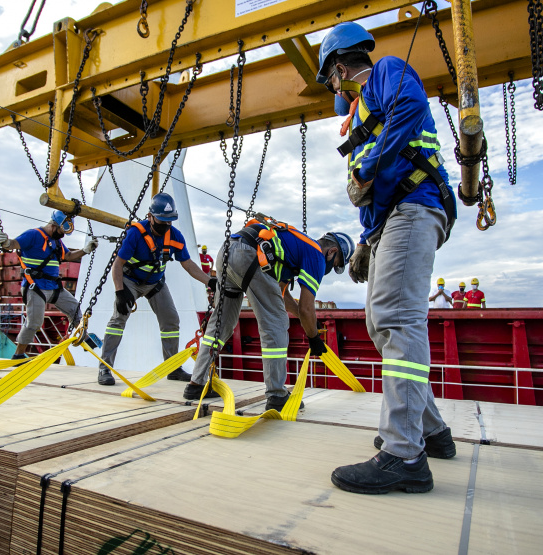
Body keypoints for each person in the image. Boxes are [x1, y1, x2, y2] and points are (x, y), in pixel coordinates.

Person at [316, 21, 457, 495]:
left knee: (396, 320)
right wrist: (363, 241)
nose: (333, 89)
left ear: (339, 69)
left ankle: (403, 454)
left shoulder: (385, 73)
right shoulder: (363, 113)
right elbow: (374, 192)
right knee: (381, 323)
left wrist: (372, 165)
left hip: (415, 206)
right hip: (391, 219)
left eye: (330, 79)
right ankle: (431, 431)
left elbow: (411, 109)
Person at [185, 215, 355, 411]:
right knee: (276, 324)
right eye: (336, 264)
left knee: (221, 324)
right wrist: (314, 337)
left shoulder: (294, 247)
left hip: (227, 251)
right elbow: (307, 307)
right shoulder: (316, 254)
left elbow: (281, 295)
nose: (332, 268)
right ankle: (276, 395)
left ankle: (196, 383)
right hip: (248, 255)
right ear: (332, 251)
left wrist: (304, 319)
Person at [99, 193, 211, 385]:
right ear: (150, 216)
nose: (166, 224)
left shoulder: (175, 236)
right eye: (162, 220)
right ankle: (104, 368)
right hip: (130, 281)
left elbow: (188, 264)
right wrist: (120, 292)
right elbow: (118, 264)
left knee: (171, 320)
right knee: (118, 319)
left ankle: (172, 368)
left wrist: (210, 282)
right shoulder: (135, 233)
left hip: (155, 283)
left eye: (169, 220)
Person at [0, 210, 98, 359]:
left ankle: (84, 337)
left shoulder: (56, 241)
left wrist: (85, 250)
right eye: (61, 232)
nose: (62, 236)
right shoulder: (33, 235)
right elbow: (13, 244)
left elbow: (68, 255)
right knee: (34, 322)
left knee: (74, 308)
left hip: (54, 287)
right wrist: (6, 242)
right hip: (35, 287)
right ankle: (18, 355)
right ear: (53, 225)